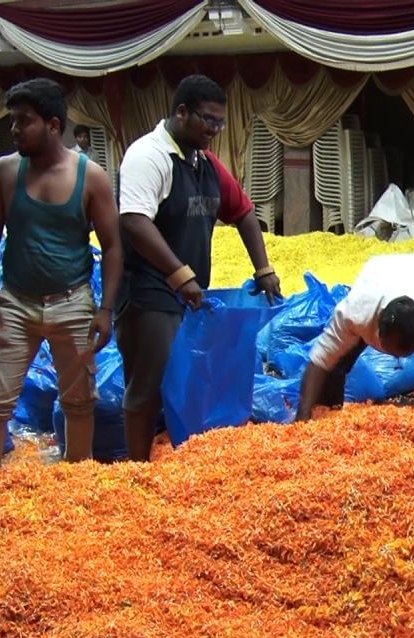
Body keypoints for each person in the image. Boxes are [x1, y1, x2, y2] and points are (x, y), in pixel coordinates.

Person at [117, 74, 281, 462]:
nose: (215, 130)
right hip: (148, 290)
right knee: (149, 384)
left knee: (187, 380)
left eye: (220, 123)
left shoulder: (205, 164)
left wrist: (264, 269)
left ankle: (184, 460)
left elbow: (243, 212)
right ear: (181, 112)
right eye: (208, 120)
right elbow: (134, 221)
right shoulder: (149, 155)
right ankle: (136, 472)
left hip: (189, 293)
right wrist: (179, 274)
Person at [0, 78, 122, 479]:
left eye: (24, 121)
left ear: (53, 126)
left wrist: (105, 308)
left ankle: (76, 485)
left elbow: (112, 247)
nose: (14, 129)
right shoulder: (4, 173)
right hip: (15, 302)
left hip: (72, 301)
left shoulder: (91, 178)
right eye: (13, 121)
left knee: (79, 401)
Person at [296, 254, 414, 421]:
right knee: (336, 363)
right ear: (377, 332)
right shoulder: (355, 314)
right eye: (396, 351)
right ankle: (330, 415)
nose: (398, 359)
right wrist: (303, 416)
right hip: (378, 271)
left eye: (410, 350)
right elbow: (319, 362)